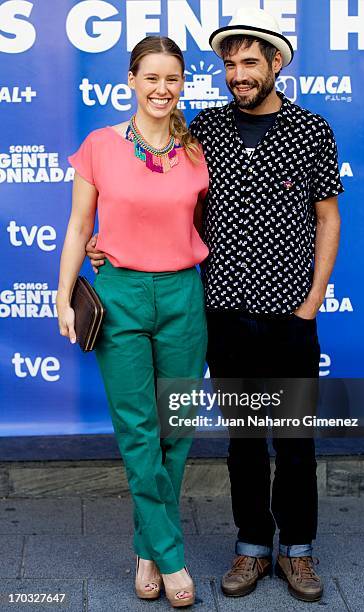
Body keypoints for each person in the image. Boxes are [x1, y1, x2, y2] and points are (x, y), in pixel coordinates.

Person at [86, 7, 344, 604]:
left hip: (289, 313)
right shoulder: (203, 130)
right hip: (221, 309)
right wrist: (109, 242)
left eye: (250, 62)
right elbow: (168, 203)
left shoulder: (313, 131)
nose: (238, 73)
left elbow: (328, 217)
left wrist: (312, 300)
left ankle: (298, 552)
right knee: (245, 440)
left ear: (276, 64)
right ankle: (253, 547)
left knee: (295, 438)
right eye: (229, 64)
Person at [57, 35, 209, 608]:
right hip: (120, 294)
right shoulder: (99, 144)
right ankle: (172, 559)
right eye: (151, 78)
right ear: (131, 80)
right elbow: (78, 226)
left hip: (181, 297)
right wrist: (63, 292)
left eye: (173, 78)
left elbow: (197, 224)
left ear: (182, 83)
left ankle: (146, 546)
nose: (162, 89)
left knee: (175, 427)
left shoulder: (198, 149)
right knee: (139, 430)